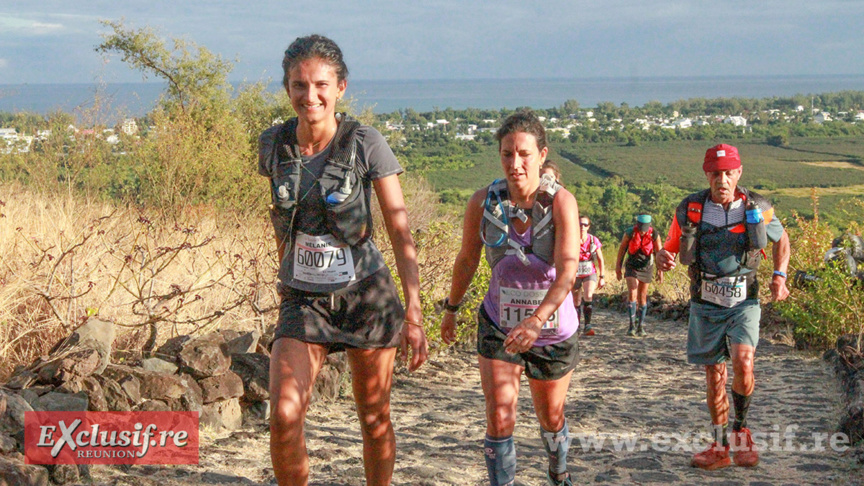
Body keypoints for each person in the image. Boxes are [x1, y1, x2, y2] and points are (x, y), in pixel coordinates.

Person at [259, 34, 428, 486]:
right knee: (284, 416)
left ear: (340, 88)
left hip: (366, 298)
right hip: (304, 301)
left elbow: (398, 229)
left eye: (320, 85)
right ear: (287, 88)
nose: (309, 96)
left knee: (374, 419)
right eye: (298, 85)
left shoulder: (365, 143)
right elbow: (282, 221)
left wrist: (414, 310)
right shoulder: (273, 146)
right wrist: (285, 278)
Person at [441, 110, 581, 486]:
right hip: (498, 321)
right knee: (500, 412)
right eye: (507, 154)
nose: (515, 164)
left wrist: (536, 321)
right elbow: (467, 259)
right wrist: (451, 309)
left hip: (550, 329)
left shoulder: (561, 203)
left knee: (550, 415)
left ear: (541, 154)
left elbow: (568, 268)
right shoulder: (483, 202)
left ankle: (558, 469)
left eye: (523, 154)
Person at [657, 143, 790, 470]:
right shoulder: (690, 208)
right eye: (716, 173)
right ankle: (719, 445)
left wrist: (779, 276)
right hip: (706, 301)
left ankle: (740, 429)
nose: (722, 179)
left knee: (744, 362)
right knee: (715, 374)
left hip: (744, 299)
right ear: (707, 174)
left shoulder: (757, 207)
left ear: (739, 173)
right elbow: (671, 247)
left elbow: (782, 240)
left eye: (729, 172)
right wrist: (663, 257)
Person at [615, 214, 663, 336]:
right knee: (632, 292)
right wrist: (618, 267)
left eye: (644, 228)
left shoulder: (654, 235)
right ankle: (631, 326)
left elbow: (659, 253)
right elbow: (622, 250)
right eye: (641, 228)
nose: (642, 231)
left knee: (642, 296)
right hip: (632, 266)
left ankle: (640, 326)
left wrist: (660, 271)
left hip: (646, 267)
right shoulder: (629, 233)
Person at [572, 216, 605, 335]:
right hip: (574, 272)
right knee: (576, 300)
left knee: (588, 295)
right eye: (580, 224)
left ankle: (588, 325)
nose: (582, 227)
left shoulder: (593, 240)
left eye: (585, 225)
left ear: (589, 227)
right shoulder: (572, 239)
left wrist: (602, 277)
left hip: (589, 271)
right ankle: (575, 326)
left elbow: (600, 259)